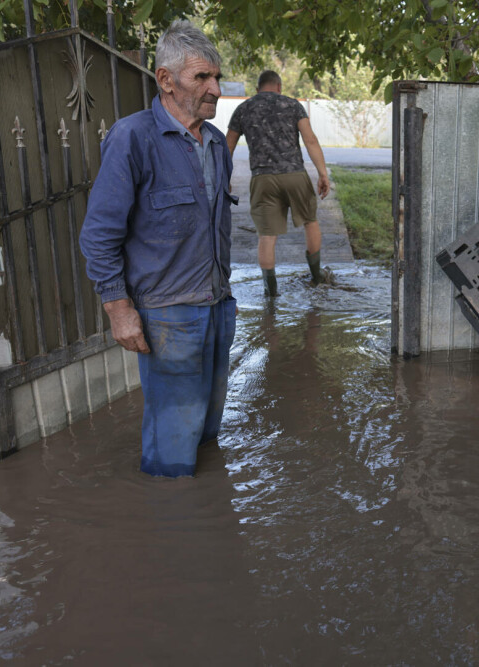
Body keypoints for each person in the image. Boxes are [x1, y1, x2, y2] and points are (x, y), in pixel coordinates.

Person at [79, 20, 237, 478]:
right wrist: (118, 308)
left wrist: (224, 300)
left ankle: (205, 526)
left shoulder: (214, 144)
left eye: (216, 77)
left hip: (217, 306)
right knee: (172, 444)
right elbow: (99, 233)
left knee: (207, 428)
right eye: (201, 78)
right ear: (166, 80)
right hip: (168, 315)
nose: (214, 89)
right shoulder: (133, 138)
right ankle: (170, 522)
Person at [225, 71, 330, 297]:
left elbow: (228, 147)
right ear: (279, 87)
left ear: (258, 88)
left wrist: (224, 177)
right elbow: (310, 140)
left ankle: (270, 292)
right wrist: (322, 173)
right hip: (294, 174)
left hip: (262, 180)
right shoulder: (293, 105)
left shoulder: (243, 109)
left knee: (267, 236)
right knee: (310, 222)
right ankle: (316, 277)